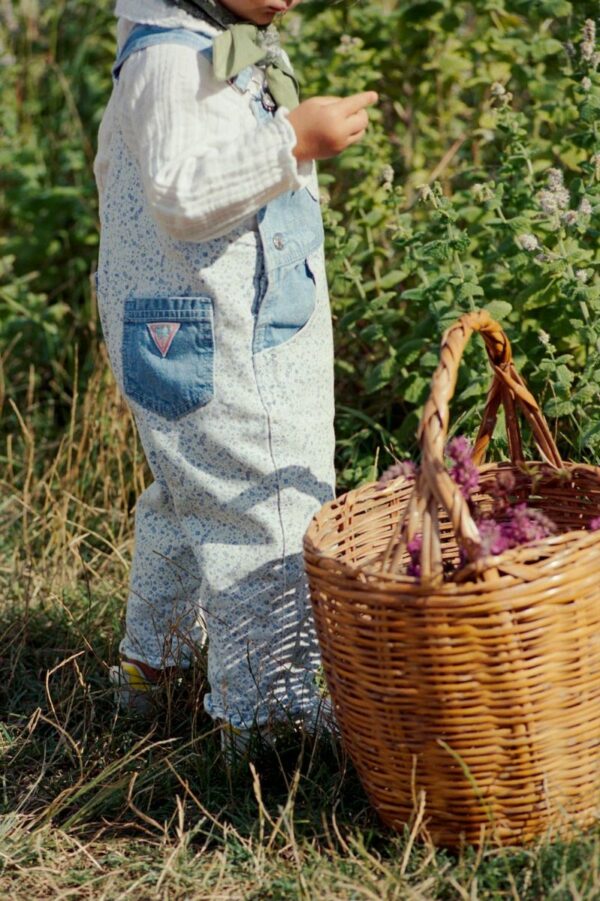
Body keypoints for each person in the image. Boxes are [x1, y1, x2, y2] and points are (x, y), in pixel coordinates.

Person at [93, 0, 377, 755]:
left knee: (194, 495)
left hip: (227, 322)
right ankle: (270, 724)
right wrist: (292, 139)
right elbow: (183, 194)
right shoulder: (168, 60)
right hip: (207, 334)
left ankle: (158, 665)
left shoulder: (220, 43)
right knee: (266, 508)